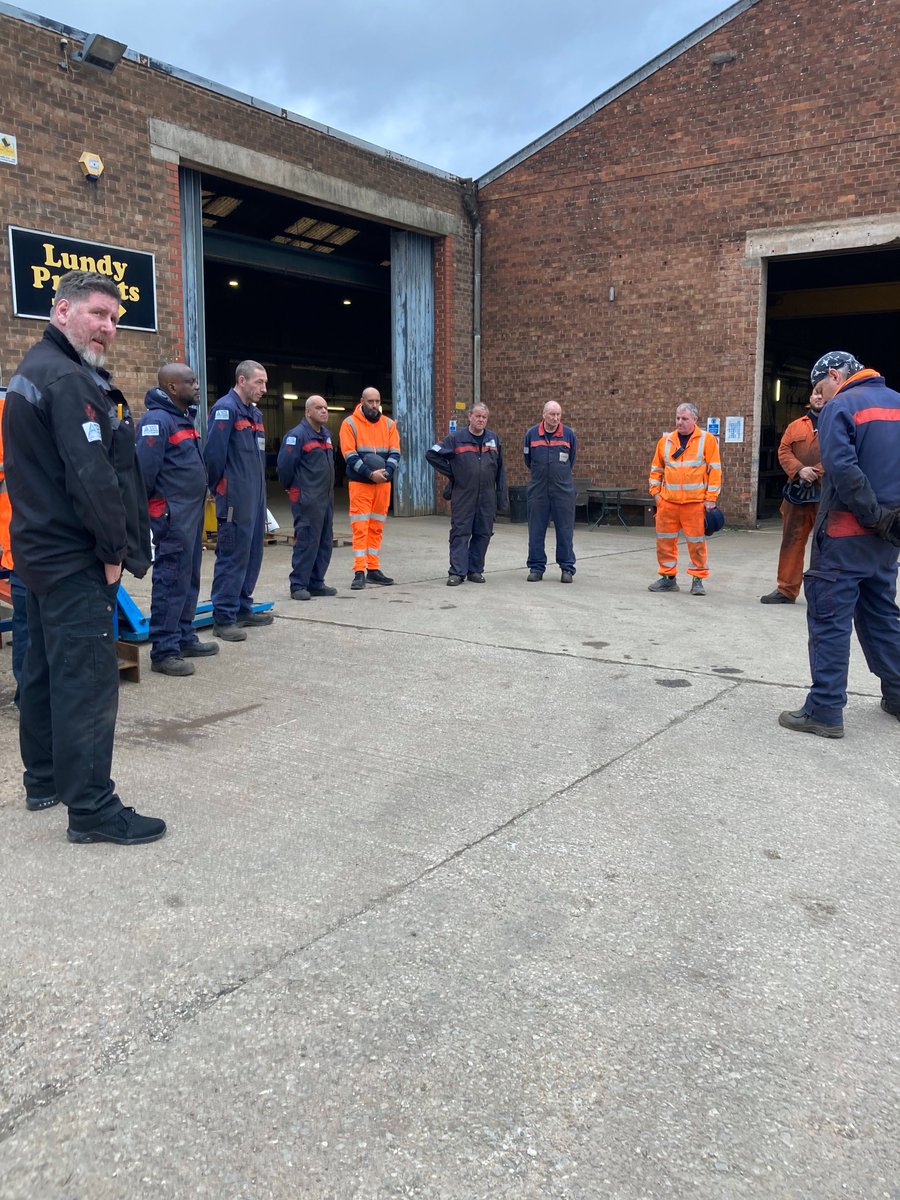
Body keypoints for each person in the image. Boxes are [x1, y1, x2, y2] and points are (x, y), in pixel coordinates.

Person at [2, 270, 165, 844]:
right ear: (62, 310)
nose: (108, 328)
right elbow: (92, 478)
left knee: (43, 672)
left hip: (36, 557)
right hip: (73, 560)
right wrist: (113, 551)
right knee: (88, 681)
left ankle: (44, 778)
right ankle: (93, 810)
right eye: (98, 314)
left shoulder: (33, 371)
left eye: (115, 319)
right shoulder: (68, 380)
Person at [779, 351, 900, 738]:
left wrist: (872, 515)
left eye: (819, 388)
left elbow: (844, 470)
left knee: (830, 620)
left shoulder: (841, 406)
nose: (821, 397)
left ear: (835, 375)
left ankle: (825, 710)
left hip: (847, 536)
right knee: (880, 613)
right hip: (887, 539)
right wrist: (890, 521)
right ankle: (897, 694)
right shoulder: (897, 402)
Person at [135, 362, 218, 676]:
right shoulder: (157, 421)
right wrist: (156, 512)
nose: (196, 386)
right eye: (191, 382)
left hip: (190, 514)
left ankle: (184, 636)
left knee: (188, 576)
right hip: (172, 517)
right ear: (172, 387)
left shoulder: (183, 418)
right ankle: (164, 650)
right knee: (170, 579)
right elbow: (143, 474)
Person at [204, 360, 274, 640]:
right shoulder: (226, 409)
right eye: (259, 382)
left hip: (254, 498)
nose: (264, 389)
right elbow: (213, 454)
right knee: (233, 555)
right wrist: (218, 487)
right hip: (233, 497)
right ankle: (224, 617)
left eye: (265, 383)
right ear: (242, 381)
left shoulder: (254, 414)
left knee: (253, 552)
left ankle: (243, 607)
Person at [426, 403, 507, 585]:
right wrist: (452, 472)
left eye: (484, 417)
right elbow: (432, 454)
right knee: (460, 533)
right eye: (477, 416)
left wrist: (501, 498)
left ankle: (475, 570)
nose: (481, 420)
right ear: (469, 416)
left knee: (483, 533)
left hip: (486, 496)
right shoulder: (456, 438)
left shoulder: (493, 439)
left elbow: (500, 470)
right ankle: (457, 572)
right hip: (463, 495)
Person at [761, 381, 826, 604]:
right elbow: (784, 450)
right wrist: (800, 470)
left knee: (826, 544)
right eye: (816, 393)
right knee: (791, 541)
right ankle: (786, 590)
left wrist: (817, 471)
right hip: (797, 494)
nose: (819, 397)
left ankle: (824, 593)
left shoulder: (839, 424)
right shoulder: (795, 426)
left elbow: (845, 453)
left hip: (827, 495)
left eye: (823, 393)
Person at [647, 403, 721, 596]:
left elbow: (715, 471)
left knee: (696, 544)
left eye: (685, 419)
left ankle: (697, 580)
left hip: (694, 503)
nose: (680, 422)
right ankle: (668, 579)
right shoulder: (666, 442)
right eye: (678, 418)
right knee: (664, 542)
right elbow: (656, 470)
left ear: (695, 420)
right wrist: (657, 496)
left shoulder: (707, 440)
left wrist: (710, 499)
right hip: (668, 503)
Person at [339, 387, 401, 589]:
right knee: (360, 528)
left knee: (376, 527)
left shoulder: (389, 424)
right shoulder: (349, 424)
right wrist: (369, 473)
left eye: (377, 401)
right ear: (362, 401)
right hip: (360, 483)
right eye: (370, 401)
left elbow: (395, 452)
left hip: (383, 483)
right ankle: (359, 571)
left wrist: (387, 473)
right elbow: (349, 455)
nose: (374, 405)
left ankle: (373, 569)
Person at [277, 394, 336, 600]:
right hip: (307, 498)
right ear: (308, 411)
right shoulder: (297, 435)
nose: (324, 411)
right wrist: (290, 486)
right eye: (319, 407)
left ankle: (316, 582)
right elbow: (284, 466)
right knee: (307, 540)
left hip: (325, 498)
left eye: (326, 408)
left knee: (324, 541)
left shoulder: (326, 435)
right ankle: (298, 584)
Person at [523, 400, 577, 583]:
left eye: (558, 415)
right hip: (538, 490)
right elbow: (527, 460)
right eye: (552, 414)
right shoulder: (531, 435)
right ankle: (536, 568)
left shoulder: (568, 435)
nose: (555, 418)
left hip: (563, 490)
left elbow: (572, 460)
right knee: (536, 530)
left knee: (565, 530)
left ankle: (567, 568)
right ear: (543, 414)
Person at [0, 391, 29, 705]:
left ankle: (28, 694)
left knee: (28, 624)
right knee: (30, 624)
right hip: (24, 542)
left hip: (19, 542)